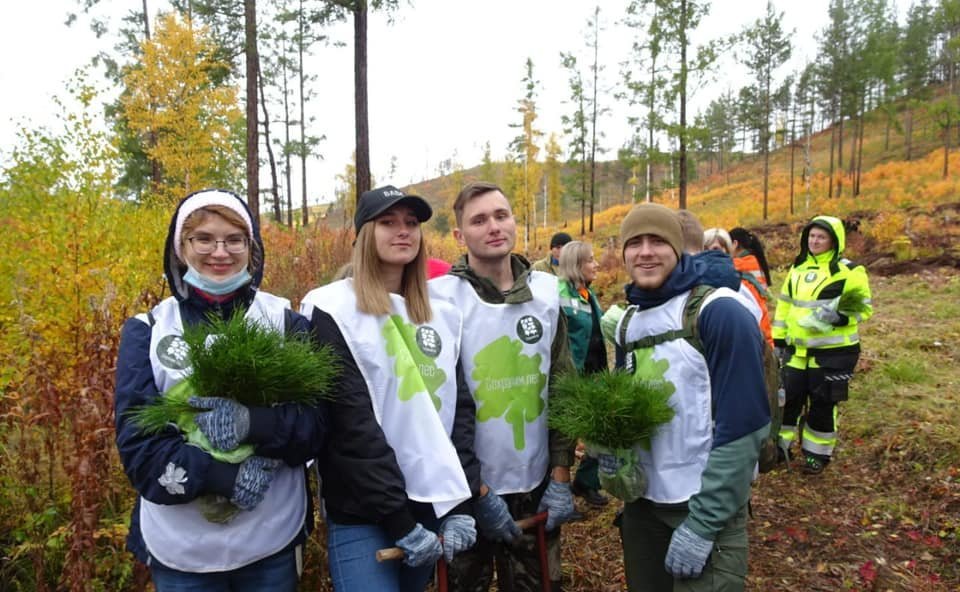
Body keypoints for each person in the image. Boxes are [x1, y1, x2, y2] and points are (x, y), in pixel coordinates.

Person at [114, 189, 327, 591]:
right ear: (180, 248)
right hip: (181, 549)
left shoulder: (285, 321)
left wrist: (254, 423)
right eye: (204, 239)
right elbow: (137, 444)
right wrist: (222, 476)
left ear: (252, 247)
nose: (220, 252)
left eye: (234, 239)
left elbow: (317, 426)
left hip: (271, 539)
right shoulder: (148, 329)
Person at [300, 185, 480, 591]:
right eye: (388, 222)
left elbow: (459, 413)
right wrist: (398, 518)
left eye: (411, 223)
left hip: (431, 503)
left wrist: (460, 503)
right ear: (364, 234)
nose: (403, 231)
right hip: (364, 512)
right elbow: (350, 425)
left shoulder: (442, 316)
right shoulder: (332, 309)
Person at [603, 203, 770, 591]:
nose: (645, 251)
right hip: (643, 508)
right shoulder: (629, 321)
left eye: (658, 241)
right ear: (624, 253)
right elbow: (628, 410)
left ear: (679, 249)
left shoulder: (719, 312)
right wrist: (611, 451)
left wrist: (702, 524)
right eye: (635, 242)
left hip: (702, 509)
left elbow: (745, 427)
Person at [430, 181, 577, 592]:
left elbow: (563, 385)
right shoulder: (441, 300)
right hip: (463, 491)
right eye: (479, 220)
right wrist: (466, 492)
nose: (493, 226)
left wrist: (562, 477)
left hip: (534, 484)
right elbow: (433, 403)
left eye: (501, 215)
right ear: (460, 236)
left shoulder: (547, 293)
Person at [772, 216, 873, 475]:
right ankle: (779, 449)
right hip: (796, 352)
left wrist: (838, 317)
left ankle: (816, 456)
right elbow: (784, 307)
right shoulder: (798, 268)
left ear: (834, 241)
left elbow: (864, 309)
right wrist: (779, 340)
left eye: (821, 237)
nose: (815, 241)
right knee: (787, 401)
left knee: (822, 404)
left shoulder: (849, 271)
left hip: (832, 355)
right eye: (812, 236)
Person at [555, 240, 609, 509]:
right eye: (590, 259)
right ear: (576, 264)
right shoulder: (559, 292)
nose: (596, 264)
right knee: (564, 439)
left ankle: (586, 481)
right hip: (571, 379)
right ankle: (560, 497)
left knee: (599, 432)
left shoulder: (588, 293)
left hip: (594, 375)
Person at [728, 227, 774, 348]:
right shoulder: (755, 261)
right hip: (763, 325)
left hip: (754, 328)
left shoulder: (739, 264)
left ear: (735, 244)